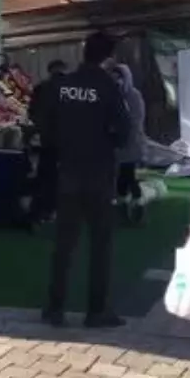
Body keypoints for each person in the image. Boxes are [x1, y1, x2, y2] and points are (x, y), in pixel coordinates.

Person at [42, 33, 130, 329]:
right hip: (98, 173)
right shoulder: (108, 87)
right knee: (100, 244)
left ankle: (54, 308)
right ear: (108, 57)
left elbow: (47, 126)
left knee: (64, 244)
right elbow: (124, 131)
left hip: (67, 170)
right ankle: (96, 311)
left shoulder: (62, 85)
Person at [27, 60, 69, 223]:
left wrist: (34, 133)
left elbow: (33, 113)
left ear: (50, 71)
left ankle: (41, 211)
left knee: (45, 175)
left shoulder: (41, 88)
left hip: (47, 141)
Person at [111, 63, 146, 225]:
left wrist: (122, 127)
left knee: (129, 175)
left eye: (119, 76)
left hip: (131, 141)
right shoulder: (111, 96)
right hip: (116, 143)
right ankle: (123, 209)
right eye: (113, 76)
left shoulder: (133, 95)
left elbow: (137, 119)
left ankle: (137, 207)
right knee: (121, 177)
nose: (116, 80)